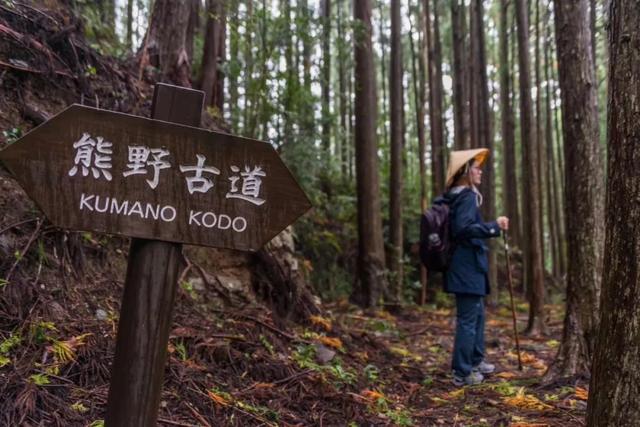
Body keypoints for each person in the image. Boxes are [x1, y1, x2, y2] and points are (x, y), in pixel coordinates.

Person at [439, 148, 509, 386]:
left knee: (476, 315)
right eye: (476, 167)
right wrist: (493, 227)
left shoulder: (457, 195)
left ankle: (476, 361)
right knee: (469, 319)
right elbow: (463, 229)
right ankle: (462, 372)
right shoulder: (466, 196)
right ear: (466, 172)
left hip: (466, 266)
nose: (480, 171)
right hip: (465, 267)